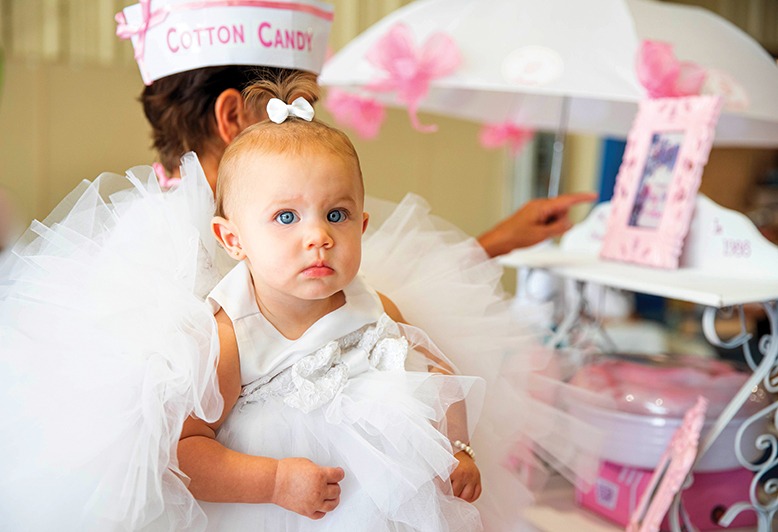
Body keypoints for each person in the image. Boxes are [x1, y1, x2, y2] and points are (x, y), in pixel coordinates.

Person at [0, 2, 603, 530]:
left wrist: (498, 240)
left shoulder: (311, 219)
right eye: (302, 104)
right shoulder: (156, 253)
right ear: (234, 116)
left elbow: (383, 289)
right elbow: (163, 441)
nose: (311, 122)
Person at [183, 86, 485, 530]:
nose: (319, 236)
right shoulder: (234, 335)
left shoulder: (375, 307)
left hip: (386, 505)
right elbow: (188, 450)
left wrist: (456, 448)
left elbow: (438, 376)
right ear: (234, 240)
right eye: (286, 217)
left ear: (362, 225)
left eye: (337, 215)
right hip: (278, 511)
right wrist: (274, 482)